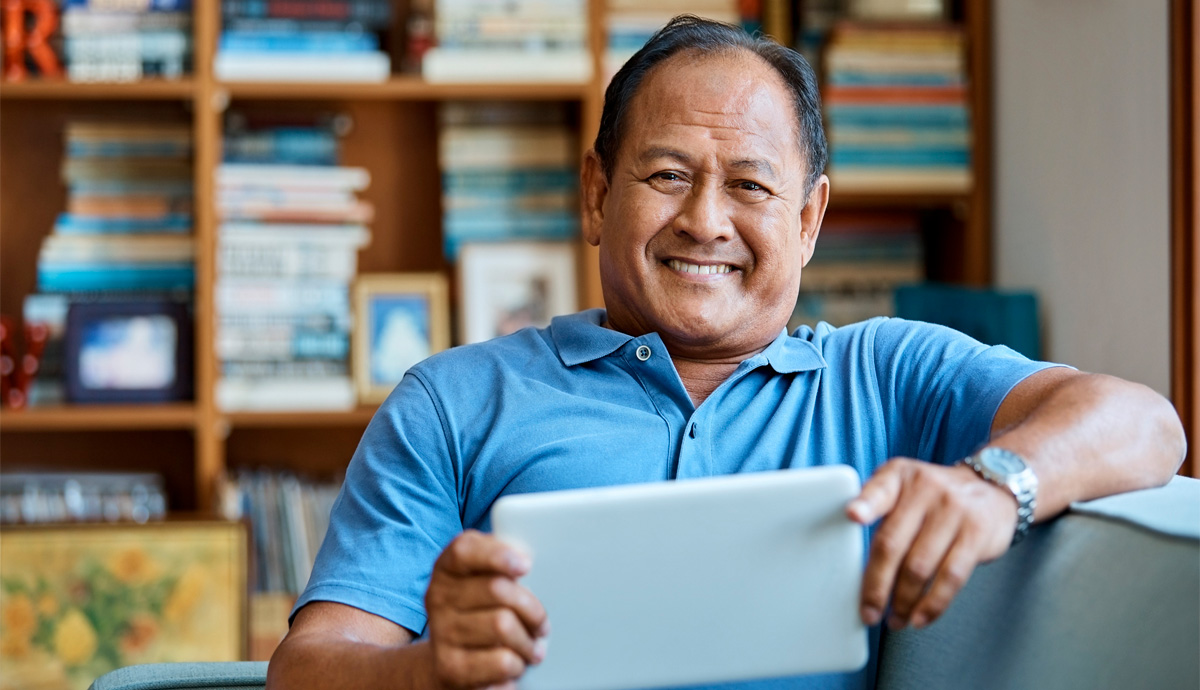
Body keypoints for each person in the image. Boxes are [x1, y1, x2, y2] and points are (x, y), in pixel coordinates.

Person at [267, 16, 1185, 690]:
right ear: (596, 194)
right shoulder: (454, 401)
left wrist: (996, 486)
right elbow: (308, 668)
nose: (705, 221)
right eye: (667, 175)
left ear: (810, 218)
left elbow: (1146, 426)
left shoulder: (887, 374)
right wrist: (429, 671)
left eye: (750, 184)